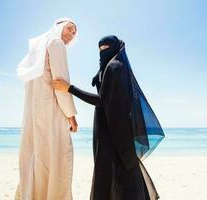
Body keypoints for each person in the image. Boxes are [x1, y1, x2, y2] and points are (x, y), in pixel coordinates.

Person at [52, 35, 165, 200]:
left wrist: (69, 88)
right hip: (109, 125)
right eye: (100, 49)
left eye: (106, 48)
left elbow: (102, 101)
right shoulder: (109, 68)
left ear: (116, 48)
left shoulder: (115, 67)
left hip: (115, 129)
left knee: (115, 169)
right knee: (115, 169)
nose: (103, 52)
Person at [15, 17, 78, 200]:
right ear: (59, 27)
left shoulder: (38, 49)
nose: (71, 35)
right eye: (70, 29)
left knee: (35, 159)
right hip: (52, 113)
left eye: (74, 33)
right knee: (57, 158)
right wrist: (71, 116)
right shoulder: (56, 43)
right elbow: (61, 83)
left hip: (34, 115)